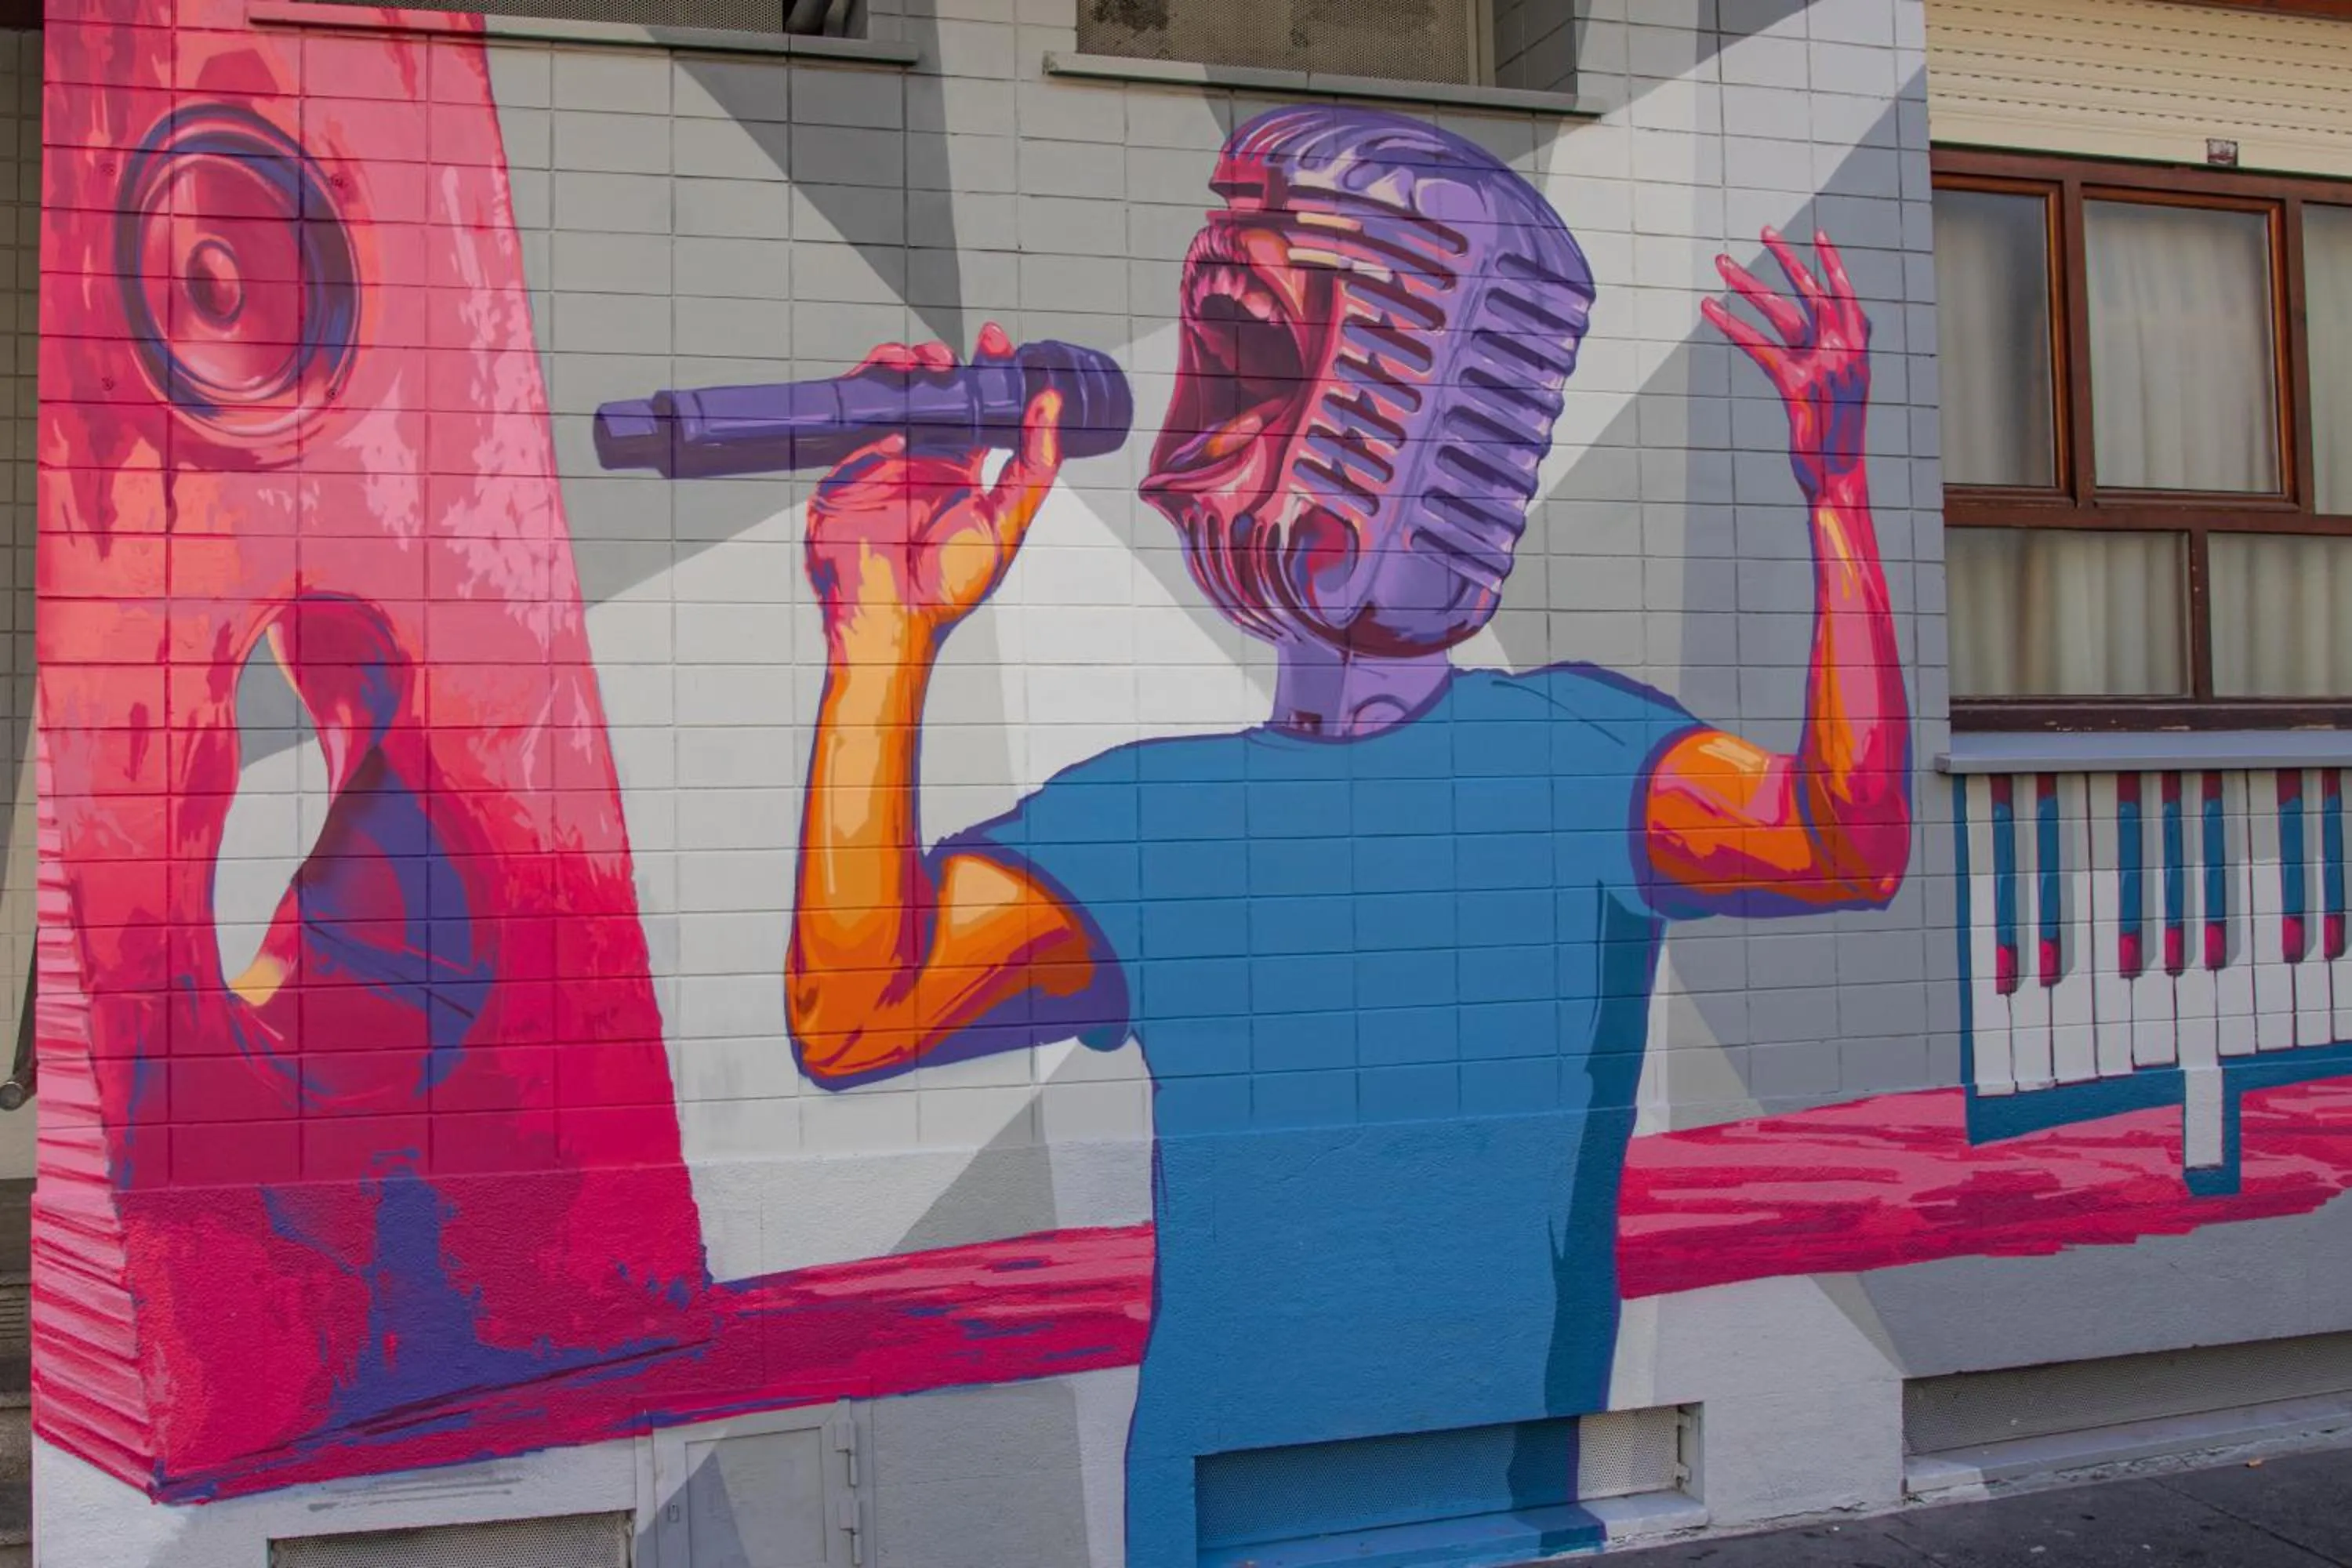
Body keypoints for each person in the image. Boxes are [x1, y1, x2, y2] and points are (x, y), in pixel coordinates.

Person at [787, 107, 1910, 1566]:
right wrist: (883, 639)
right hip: (1214, 1505)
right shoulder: (1148, 815)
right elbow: (858, 1011)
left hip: (1496, 1500)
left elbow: (1844, 838)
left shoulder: (1578, 753)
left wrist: (1838, 496)